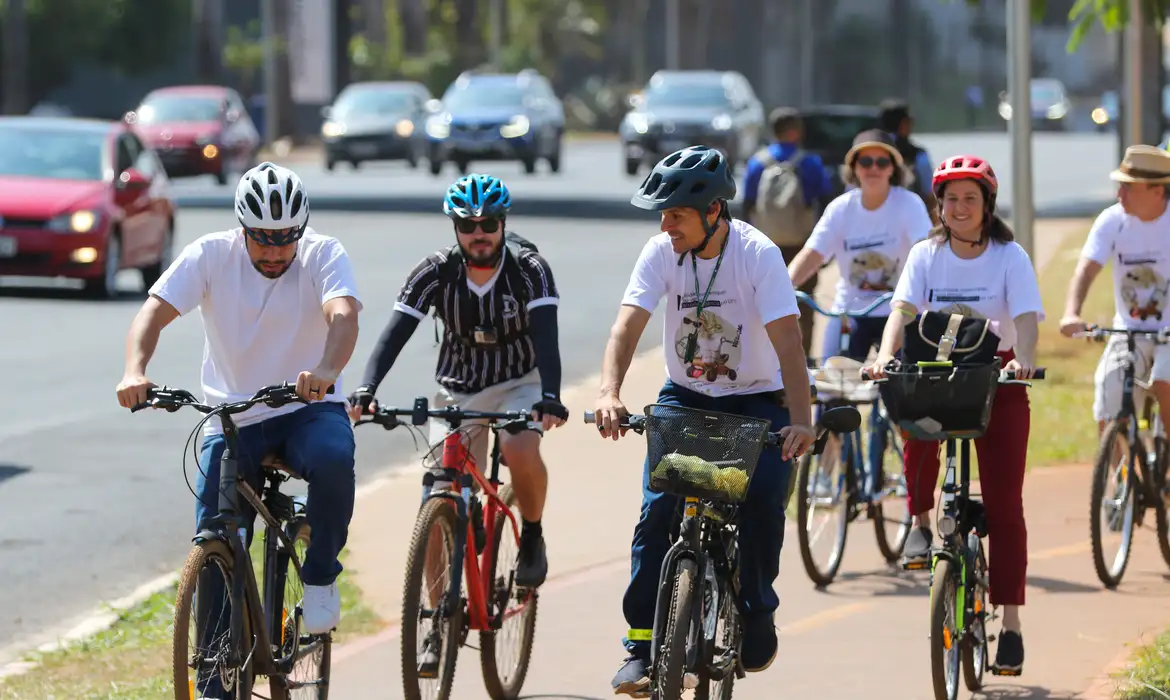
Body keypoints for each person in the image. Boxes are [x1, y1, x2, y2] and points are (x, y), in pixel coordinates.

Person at [115, 162, 361, 696]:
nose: (275, 252)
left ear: (302, 228)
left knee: (335, 459)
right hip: (234, 416)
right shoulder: (210, 255)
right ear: (242, 229)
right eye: (263, 240)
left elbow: (343, 316)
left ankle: (319, 578)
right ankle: (214, 679)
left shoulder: (323, 253)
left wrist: (325, 372)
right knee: (215, 532)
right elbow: (152, 313)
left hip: (306, 406)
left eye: (286, 239)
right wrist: (136, 370)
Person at [593, 145, 816, 695]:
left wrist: (802, 419)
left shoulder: (757, 254)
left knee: (763, 497)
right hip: (688, 395)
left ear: (713, 211)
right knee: (656, 514)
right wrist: (609, 392)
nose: (665, 224)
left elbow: (788, 342)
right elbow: (627, 327)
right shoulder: (661, 251)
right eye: (662, 214)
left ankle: (758, 611)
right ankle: (641, 646)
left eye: (676, 214)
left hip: (758, 399)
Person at [864, 154, 1043, 675]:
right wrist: (883, 355)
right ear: (938, 206)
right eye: (950, 198)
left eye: (971, 198)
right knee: (913, 423)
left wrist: (1025, 357)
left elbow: (1027, 317)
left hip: (998, 376)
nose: (959, 207)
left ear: (987, 205)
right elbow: (902, 311)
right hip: (939, 372)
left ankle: (1009, 623)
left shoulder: (1011, 256)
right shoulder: (925, 254)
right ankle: (919, 522)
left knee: (1006, 505)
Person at [347, 172, 568, 590]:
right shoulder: (434, 272)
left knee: (518, 445)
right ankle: (432, 620)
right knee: (438, 492)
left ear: (503, 223)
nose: (479, 234)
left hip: (519, 381)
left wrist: (551, 396)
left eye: (489, 224)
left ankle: (533, 534)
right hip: (457, 387)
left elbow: (546, 336)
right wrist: (367, 389)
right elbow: (394, 333)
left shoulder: (530, 270)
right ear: (455, 228)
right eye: (468, 226)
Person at [787, 129, 933, 363]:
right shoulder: (840, 208)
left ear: (893, 168)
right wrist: (783, 286)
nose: (873, 168)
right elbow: (813, 253)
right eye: (865, 161)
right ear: (853, 167)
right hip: (850, 311)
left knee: (905, 385)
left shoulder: (909, 204)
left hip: (899, 309)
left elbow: (925, 251)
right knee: (833, 381)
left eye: (882, 162)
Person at [1061, 145, 1170, 450]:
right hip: (1129, 331)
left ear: (1158, 191)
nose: (1120, 193)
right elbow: (1086, 270)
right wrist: (1072, 313)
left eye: (1129, 187)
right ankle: (1120, 483)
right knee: (1108, 395)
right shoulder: (1112, 221)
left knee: (1165, 380)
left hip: (1169, 333)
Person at [742, 107, 834, 357]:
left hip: (765, 245)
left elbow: (747, 204)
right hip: (801, 244)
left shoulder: (757, 162)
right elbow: (825, 200)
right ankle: (803, 357)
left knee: (765, 300)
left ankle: (769, 356)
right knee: (804, 299)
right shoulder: (809, 162)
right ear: (795, 131)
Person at [879, 99, 938, 223]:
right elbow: (930, 195)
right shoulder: (917, 155)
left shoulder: (868, 154)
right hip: (912, 222)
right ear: (903, 124)